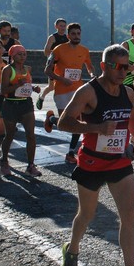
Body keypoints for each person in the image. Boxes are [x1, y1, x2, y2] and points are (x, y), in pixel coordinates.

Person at [57, 44, 134, 266]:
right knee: (87, 214)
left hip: (119, 162)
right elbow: (63, 122)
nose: (122, 71)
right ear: (104, 66)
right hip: (92, 162)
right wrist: (96, 128)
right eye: (117, 66)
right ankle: (72, 250)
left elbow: (131, 118)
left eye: (126, 67)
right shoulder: (88, 92)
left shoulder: (127, 92)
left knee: (129, 215)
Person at [43, 23, 95, 164]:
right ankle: (52, 119)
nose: (76, 36)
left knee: (77, 122)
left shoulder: (84, 50)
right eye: (73, 34)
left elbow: (89, 66)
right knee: (64, 124)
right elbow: (47, 71)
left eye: (78, 33)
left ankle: (71, 153)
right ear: (68, 35)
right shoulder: (58, 50)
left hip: (78, 90)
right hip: (61, 90)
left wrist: (92, 75)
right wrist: (61, 79)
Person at [0, 45, 42, 176]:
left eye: (24, 54)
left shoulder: (27, 68)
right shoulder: (7, 70)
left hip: (26, 104)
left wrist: (34, 88)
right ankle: (4, 160)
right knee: (10, 134)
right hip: (11, 104)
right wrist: (18, 84)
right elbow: (3, 90)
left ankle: (30, 165)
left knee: (31, 135)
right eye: (19, 54)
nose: (22, 56)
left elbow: (27, 85)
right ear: (13, 56)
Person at [35, 18, 68, 110]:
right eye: (61, 26)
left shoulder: (67, 38)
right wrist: (57, 53)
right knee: (51, 86)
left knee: (64, 85)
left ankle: (63, 104)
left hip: (63, 65)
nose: (63, 28)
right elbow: (46, 52)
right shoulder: (52, 37)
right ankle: (41, 97)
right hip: (52, 64)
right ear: (56, 26)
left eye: (64, 26)